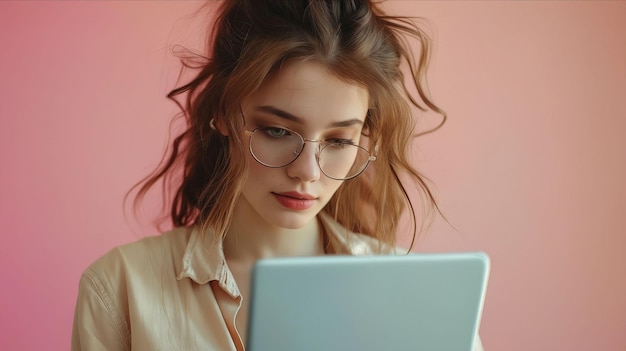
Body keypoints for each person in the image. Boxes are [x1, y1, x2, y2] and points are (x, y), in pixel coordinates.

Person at [72, 0, 484, 350]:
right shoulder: (121, 288)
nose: (306, 172)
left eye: (339, 141)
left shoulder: (421, 297)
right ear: (222, 114)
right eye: (277, 131)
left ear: (368, 140)